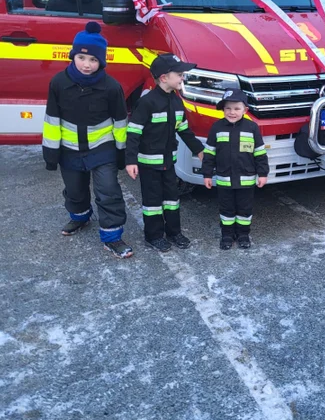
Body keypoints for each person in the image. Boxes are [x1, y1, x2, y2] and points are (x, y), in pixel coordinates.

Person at [42, 21, 133, 258]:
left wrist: (122, 153)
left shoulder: (112, 87)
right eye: (82, 58)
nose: (87, 64)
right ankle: (80, 217)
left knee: (108, 191)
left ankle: (112, 237)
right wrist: (51, 154)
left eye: (93, 60)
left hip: (102, 149)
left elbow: (121, 123)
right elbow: (52, 120)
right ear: (73, 56)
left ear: (101, 62)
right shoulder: (58, 83)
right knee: (75, 190)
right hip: (69, 149)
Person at [125, 54, 204, 252]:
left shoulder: (177, 103)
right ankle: (153, 236)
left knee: (171, 199)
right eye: (179, 74)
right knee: (152, 202)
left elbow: (184, 131)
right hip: (149, 164)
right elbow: (133, 133)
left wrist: (199, 150)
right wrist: (130, 160)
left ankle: (174, 232)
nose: (182, 78)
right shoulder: (147, 103)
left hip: (169, 163)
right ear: (163, 77)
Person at [202, 88, 269, 250]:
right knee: (226, 209)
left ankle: (243, 234)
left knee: (245, 209)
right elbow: (209, 153)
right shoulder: (216, 127)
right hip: (224, 180)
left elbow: (259, 153)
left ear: (245, 110)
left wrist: (263, 173)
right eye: (228, 108)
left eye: (237, 108)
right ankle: (227, 235)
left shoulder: (252, 128)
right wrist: (207, 174)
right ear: (223, 109)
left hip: (246, 180)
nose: (232, 112)